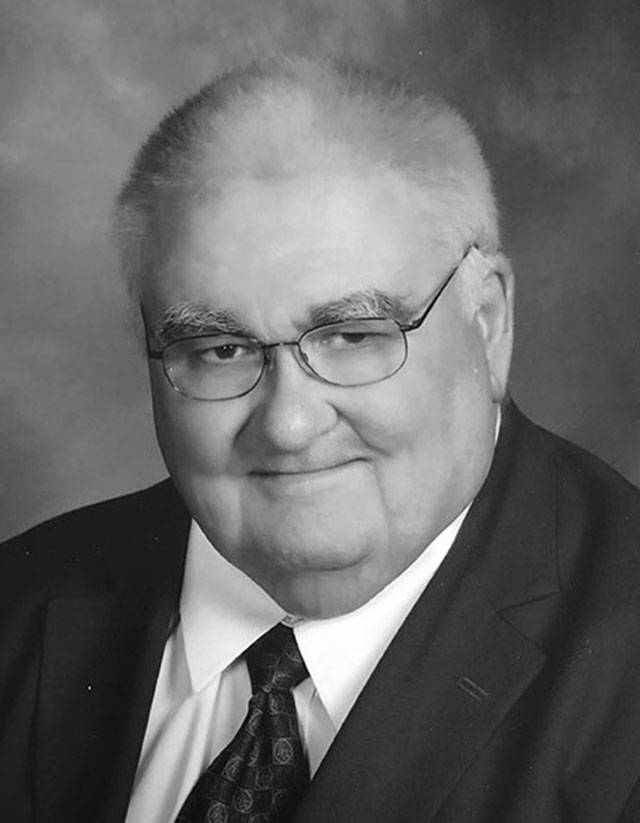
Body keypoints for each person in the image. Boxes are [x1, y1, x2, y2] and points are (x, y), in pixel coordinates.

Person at [1, 55, 640, 823]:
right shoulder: (19, 604)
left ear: (488, 321)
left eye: (353, 335)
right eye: (221, 349)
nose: (289, 425)